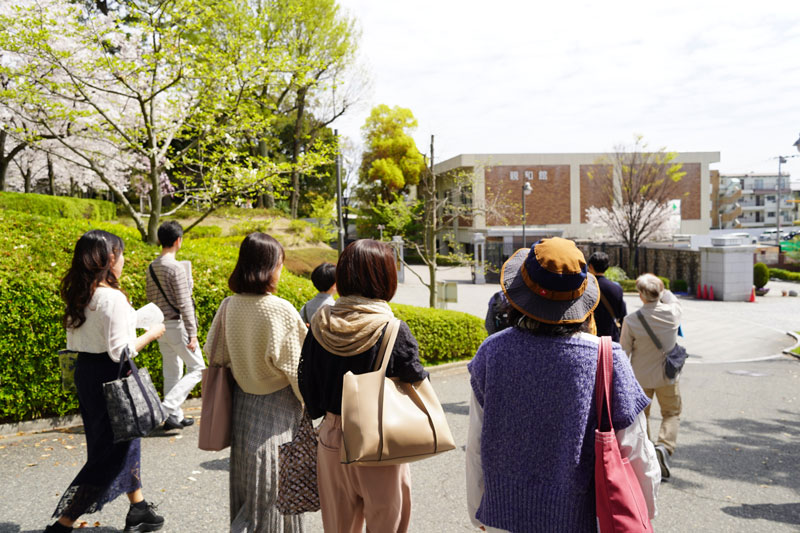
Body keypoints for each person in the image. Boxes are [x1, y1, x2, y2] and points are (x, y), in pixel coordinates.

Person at [466, 238, 660, 532]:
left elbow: (476, 445)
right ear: (579, 300)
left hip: (504, 516)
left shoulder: (492, 352)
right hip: (583, 518)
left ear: (520, 293)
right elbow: (635, 450)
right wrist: (643, 510)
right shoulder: (606, 358)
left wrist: (477, 511)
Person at [298, 239, 429, 533]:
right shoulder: (392, 328)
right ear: (385, 278)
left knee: (338, 527)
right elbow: (417, 382)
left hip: (332, 435)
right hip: (380, 440)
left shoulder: (320, 324)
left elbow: (308, 384)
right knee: (387, 524)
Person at [46, 230, 166, 533]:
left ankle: (138, 508)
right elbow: (120, 351)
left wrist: (132, 319)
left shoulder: (80, 293)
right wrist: (152, 333)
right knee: (110, 454)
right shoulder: (111, 297)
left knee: (123, 443)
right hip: (113, 376)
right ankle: (63, 523)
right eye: (121, 254)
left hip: (87, 373)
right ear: (109, 259)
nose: (124, 261)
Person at [204, 232, 307, 532]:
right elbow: (298, 370)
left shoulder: (228, 305)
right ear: (269, 266)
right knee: (276, 489)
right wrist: (314, 408)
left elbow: (215, 354)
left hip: (243, 404)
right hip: (279, 409)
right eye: (279, 264)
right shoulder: (280, 309)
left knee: (250, 482)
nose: (280, 271)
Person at [620, 273, 683, 481]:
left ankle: (648, 454)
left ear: (640, 295)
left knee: (641, 417)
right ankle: (664, 446)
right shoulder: (673, 313)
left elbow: (624, 351)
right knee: (671, 413)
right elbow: (671, 297)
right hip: (667, 376)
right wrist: (661, 287)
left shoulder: (631, 321)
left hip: (640, 377)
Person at [145, 221, 205, 430]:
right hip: (178, 326)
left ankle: (174, 417)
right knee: (198, 369)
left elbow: (150, 299)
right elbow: (184, 303)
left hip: (160, 326)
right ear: (178, 240)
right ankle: (167, 408)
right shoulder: (176, 268)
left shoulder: (151, 267)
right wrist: (193, 333)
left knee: (172, 371)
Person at [587, 251, 627, 341]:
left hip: (590, 335)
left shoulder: (585, 287)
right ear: (607, 267)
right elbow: (622, 315)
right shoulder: (616, 288)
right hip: (610, 337)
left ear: (590, 266)